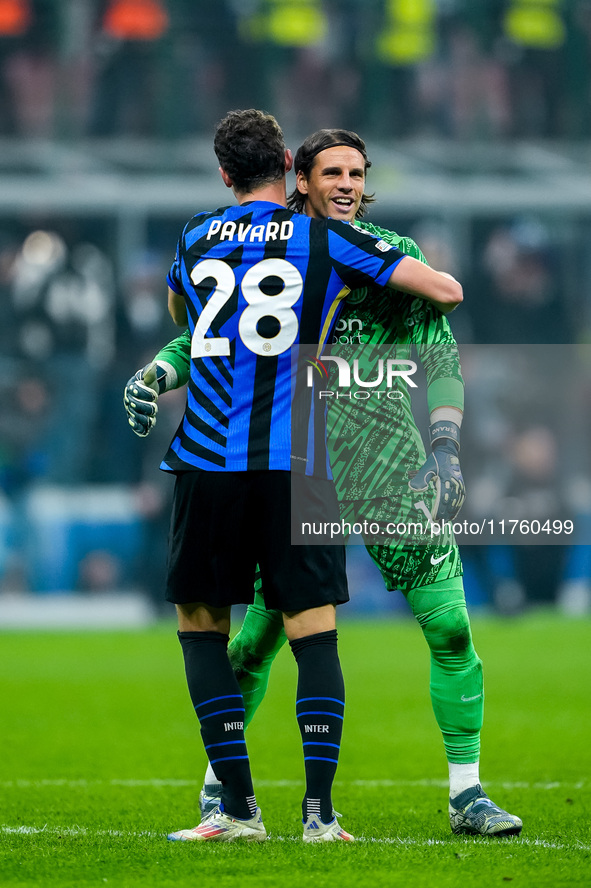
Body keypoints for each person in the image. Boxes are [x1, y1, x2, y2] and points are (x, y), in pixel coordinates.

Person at [136, 111, 462, 844]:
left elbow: (181, 320)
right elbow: (442, 292)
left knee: (202, 630)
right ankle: (320, 815)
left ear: (222, 172)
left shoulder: (193, 234)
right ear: (288, 165)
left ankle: (236, 810)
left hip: (210, 459)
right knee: (314, 635)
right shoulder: (326, 239)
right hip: (300, 465)